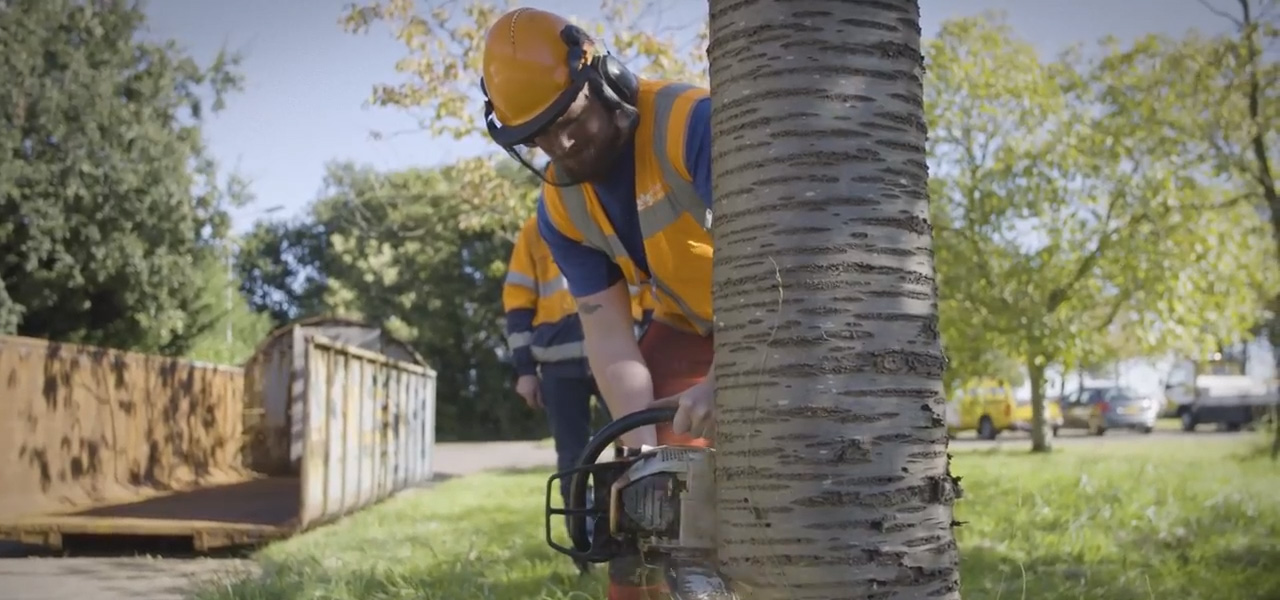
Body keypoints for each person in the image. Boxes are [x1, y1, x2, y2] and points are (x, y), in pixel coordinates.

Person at [482, 8, 716, 599]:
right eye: (535, 136)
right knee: (637, 507)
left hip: (776, 312)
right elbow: (609, 336)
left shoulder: (694, 125)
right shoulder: (560, 211)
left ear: (603, 80)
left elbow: (777, 268)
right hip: (686, 325)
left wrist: (733, 376)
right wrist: (641, 454)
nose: (558, 145)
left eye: (568, 120)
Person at [501, 212, 655, 574]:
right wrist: (524, 371)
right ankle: (583, 550)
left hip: (623, 357)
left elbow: (651, 286)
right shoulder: (533, 229)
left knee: (635, 449)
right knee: (572, 459)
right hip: (558, 365)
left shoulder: (617, 212)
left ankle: (634, 545)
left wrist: (650, 343)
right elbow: (518, 303)